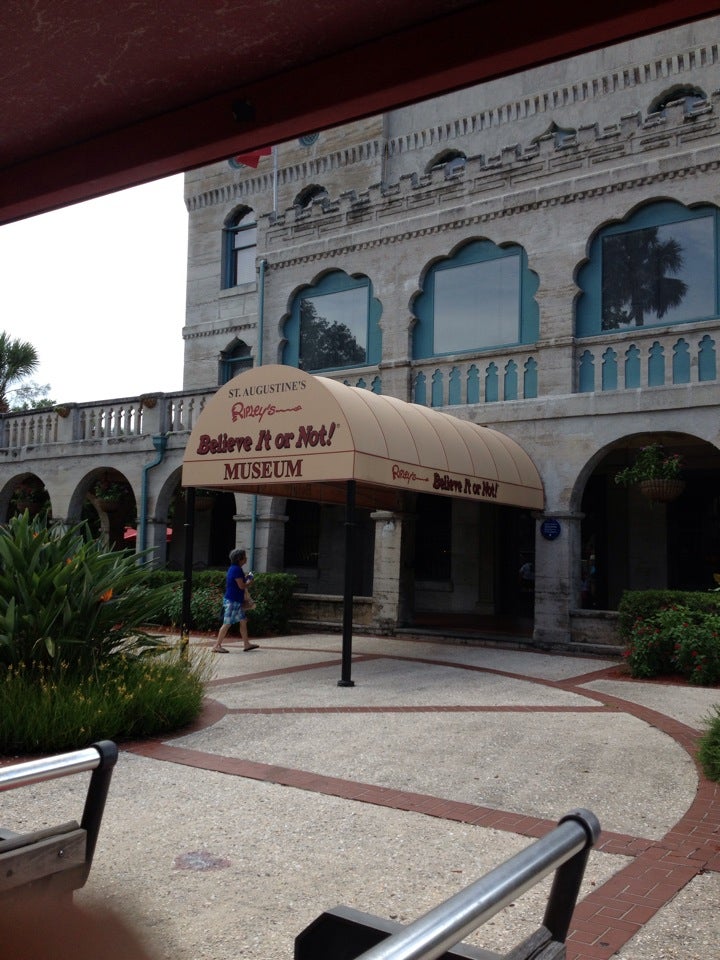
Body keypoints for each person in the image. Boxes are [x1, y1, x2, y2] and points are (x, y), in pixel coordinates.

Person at [212, 547, 258, 653]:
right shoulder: (236, 569)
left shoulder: (234, 569)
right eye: (244, 557)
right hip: (233, 600)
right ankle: (217, 646)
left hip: (234, 600)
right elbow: (241, 586)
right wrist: (250, 582)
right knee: (227, 623)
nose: (246, 558)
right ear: (239, 559)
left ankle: (246, 644)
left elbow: (239, 582)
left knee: (243, 621)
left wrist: (247, 578)